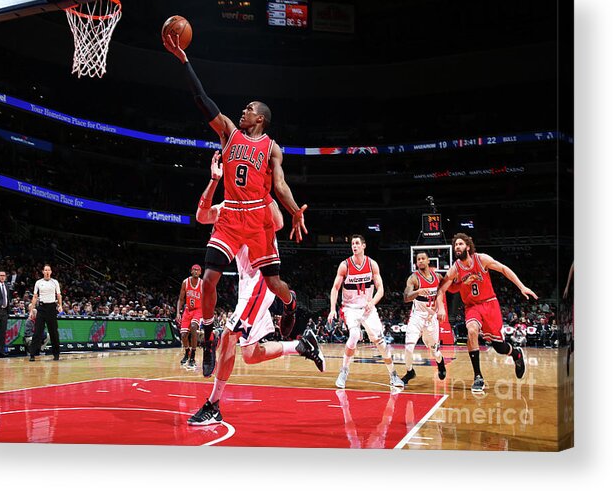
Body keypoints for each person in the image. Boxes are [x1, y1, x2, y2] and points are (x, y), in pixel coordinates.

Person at [163, 37, 308, 378]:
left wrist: (294, 212)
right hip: (230, 217)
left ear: (261, 118)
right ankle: (210, 335)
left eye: (249, 109)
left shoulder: (272, 148)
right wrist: (184, 61)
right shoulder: (228, 133)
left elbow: (281, 185)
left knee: (274, 284)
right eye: (243, 108)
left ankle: (291, 303)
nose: (242, 111)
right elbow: (202, 99)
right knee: (210, 279)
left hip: (257, 217)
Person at [187, 153, 324, 425]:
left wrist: (262, 191)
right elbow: (202, 216)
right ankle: (301, 345)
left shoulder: (260, 199)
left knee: (228, 337)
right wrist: (213, 180)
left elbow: (280, 222)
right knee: (250, 355)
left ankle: (213, 404)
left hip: (262, 277)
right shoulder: (228, 205)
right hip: (247, 284)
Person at [436, 233, 537, 392]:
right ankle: (478, 376)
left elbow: (503, 268)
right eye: (456, 245)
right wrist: (442, 306)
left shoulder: (481, 259)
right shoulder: (455, 268)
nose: (457, 247)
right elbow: (443, 289)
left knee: (499, 347)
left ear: (468, 246)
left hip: (490, 304)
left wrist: (521, 286)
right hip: (472, 307)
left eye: (460, 244)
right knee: (472, 330)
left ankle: (516, 354)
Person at [327, 235, 404, 390]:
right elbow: (335, 288)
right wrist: (332, 309)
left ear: (363, 246)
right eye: (352, 244)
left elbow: (381, 289)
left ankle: (393, 374)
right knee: (354, 335)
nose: (354, 246)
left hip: (368, 308)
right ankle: (344, 371)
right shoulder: (345, 265)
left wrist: (372, 302)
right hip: (350, 308)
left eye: (357, 243)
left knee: (380, 343)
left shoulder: (372, 264)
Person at [401, 251, 447, 385]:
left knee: (434, 351)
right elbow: (406, 297)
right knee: (409, 347)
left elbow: (445, 289)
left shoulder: (437, 277)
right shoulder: (413, 278)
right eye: (418, 259)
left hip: (431, 319)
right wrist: (418, 292)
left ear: (428, 261)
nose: (420, 261)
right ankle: (410, 371)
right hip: (417, 317)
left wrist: (441, 307)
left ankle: (441, 363)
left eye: (423, 259)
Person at [29, 264, 63, 362]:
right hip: (42, 308)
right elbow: (35, 296)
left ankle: (56, 354)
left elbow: (59, 295)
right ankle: (32, 354)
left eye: (49, 270)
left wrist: (60, 305)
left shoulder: (55, 282)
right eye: (45, 270)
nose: (47, 272)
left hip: (52, 307)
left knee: (53, 332)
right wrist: (31, 310)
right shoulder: (38, 282)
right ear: (43, 272)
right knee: (37, 332)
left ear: (51, 272)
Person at [176, 264, 203, 369]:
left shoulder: (202, 283)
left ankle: (193, 355)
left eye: (198, 270)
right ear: (191, 271)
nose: (196, 271)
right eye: (194, 270)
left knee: (193, 327)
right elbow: (181, 299)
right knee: (183, 335)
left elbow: (206, 299)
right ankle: (187, 352)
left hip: (198, 310)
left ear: (200, 272)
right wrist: (178, 312)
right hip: (188, 310)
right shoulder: (185, 282)